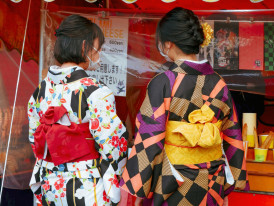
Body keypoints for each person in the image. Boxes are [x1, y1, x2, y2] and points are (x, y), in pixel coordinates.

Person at [120, 7, 249, 206]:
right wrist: (231, 183)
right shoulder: (219, 83)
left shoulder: (163, 82)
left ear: (168, 43)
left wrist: (138, 189)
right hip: (213, 181)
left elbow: (149, 139)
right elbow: (232, 134)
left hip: (172, 181)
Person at [28, 15, 128, 206]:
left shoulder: (40, 91)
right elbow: (113, 144)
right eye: (97, 49)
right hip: (86, 185)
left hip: (50, 183)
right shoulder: (96, 91)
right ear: (85, 47)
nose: (98, 56)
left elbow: (35, 139)